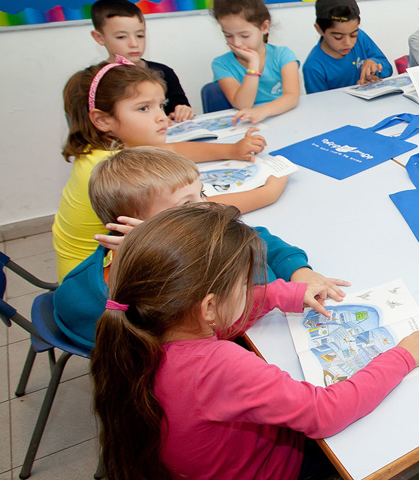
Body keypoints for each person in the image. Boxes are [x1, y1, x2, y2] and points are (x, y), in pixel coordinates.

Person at [91, 203, 419, 480]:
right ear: (209, 307)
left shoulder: (145, 324)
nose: (251, 288)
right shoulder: (217, 364)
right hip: (273, 469)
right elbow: (325, 413)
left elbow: (225, 313)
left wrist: (287, 294)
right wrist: (403, 355)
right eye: (244, 283)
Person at [53, 146, 323, 348]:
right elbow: (238, 307)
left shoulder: (189, 235)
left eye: (202, 193)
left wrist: (299, 270)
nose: (207, 207)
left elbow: (256, 238)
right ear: (131, 225)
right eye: (187, 205)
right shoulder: (158, 293)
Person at [52, 60, 267, 280]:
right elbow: (197, 212)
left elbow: (168, 149)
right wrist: (267, 192)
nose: (162, 117)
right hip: (101, 282)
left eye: (161, 105)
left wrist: (232, 150)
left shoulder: (110, 145)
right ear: (102, 120)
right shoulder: (107, 165)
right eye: (144, 108)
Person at [89, 0, 194, 122]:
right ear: (99, 38)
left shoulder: (164, 72)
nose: (134, 43)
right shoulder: (94, 80)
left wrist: (183, 110)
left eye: (140, 35)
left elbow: (180, 108)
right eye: (121, 37)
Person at [211, 0, 301, 123]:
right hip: (249, 123)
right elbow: (243, 104)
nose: (236, 43)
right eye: (228, 35)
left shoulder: (283, 55)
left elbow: (292, 97)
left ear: (264, 27)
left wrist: (261, 112)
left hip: (284, 117)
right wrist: (253, 65)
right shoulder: (221, 64)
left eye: (244, 35)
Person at [302, 0, 393, 93]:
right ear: (319, 29)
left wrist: (375, 65)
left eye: (353, 35)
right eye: (338, 37)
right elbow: (318, 105)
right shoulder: (313, 67)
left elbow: (388, 69)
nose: (348, 43)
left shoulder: (361, 37)